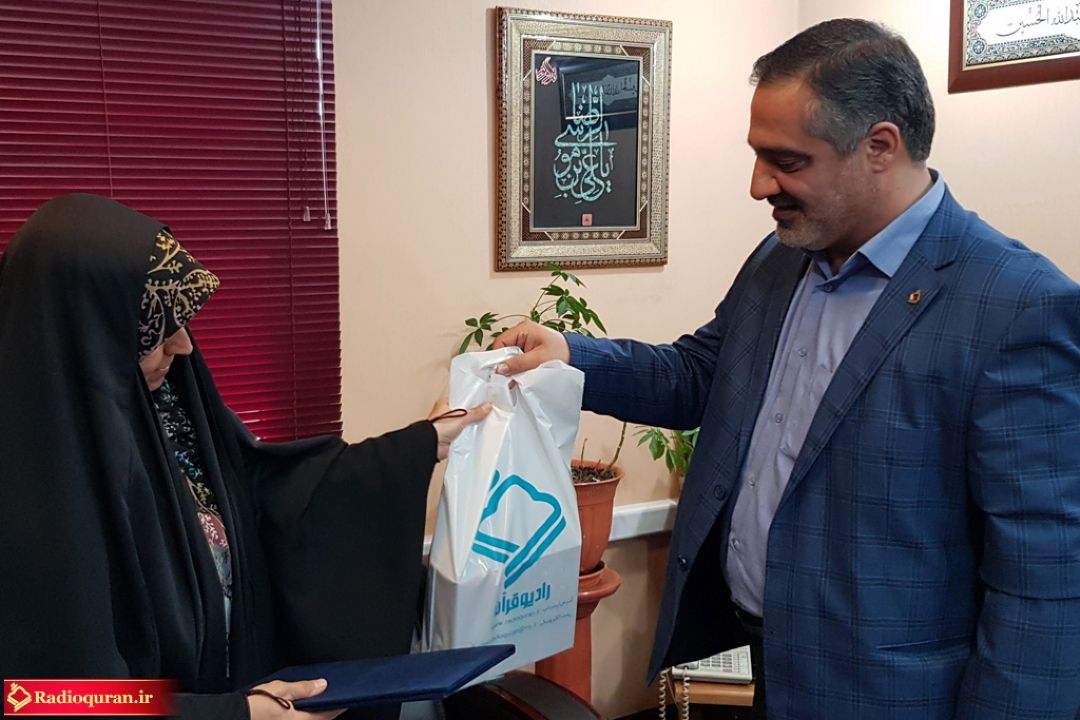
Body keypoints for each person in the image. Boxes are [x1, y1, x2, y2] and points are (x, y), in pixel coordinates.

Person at [492, 18, 1080, 720]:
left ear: (880, 147)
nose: (757, 185)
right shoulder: (782, 257)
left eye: (787, 161)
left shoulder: (1017, 306)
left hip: (886, 697)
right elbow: (703, 374)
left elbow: (1045, 585)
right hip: (755, 664)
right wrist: (573, 357)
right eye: (758, 156)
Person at [0, 193, 491, 720]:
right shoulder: (28, 494)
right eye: (156, 332)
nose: (184, 346)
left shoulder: (171, 412)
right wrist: (240, 714)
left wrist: (414, 449)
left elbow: (263, 489)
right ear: (87, 336)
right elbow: (47, 701)